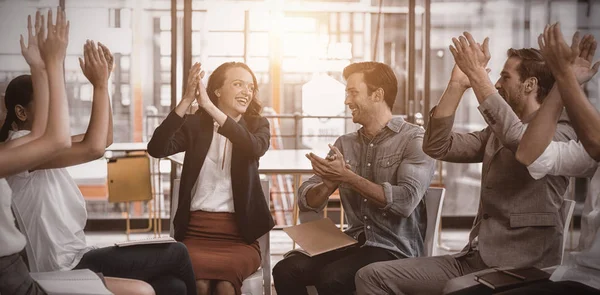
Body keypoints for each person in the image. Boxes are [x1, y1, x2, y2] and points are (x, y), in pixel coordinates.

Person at [355, 32, 577, 295]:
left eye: (505, 77)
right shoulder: (496, 132)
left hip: (522, 267)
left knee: (455, 289)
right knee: (371, 276)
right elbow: (437, 145)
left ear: (529, 85)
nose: (496, 84)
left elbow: (521, 143)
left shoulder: (560, 131)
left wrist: (478, 76)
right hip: (472, 260)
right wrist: (457, 85)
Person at [3, 9, 196, 295]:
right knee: (177, 253)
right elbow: (93, 148)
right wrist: (90, 80)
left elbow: (102, 139)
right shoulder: (20, 145)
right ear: (20, 112)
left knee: (174, 286)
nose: (54, 107)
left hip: (78, 253)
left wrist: (101, 84)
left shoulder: (33, 145)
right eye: (44, 100)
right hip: (65, 264)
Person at [272, 61, 436, 295]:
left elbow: (405, 201)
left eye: (353, 93)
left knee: (333, 278)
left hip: (394, 248)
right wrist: (327, 185)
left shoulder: (414, 139)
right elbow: (307, 199)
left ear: (377, 95)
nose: (347, 101)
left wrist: (348, 178)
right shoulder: (344, 143)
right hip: (352, 241)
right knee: (286, 269)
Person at [147, 61, 274, 295]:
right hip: (195, 233)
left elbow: (253, 147)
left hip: (240, 237)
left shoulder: (258, 125)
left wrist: (209, 107)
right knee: (200, 284)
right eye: (238, 84)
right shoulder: (196, 125)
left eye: (250, 86)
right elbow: (157, 148)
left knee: (225, 286)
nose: (247, 91)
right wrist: (187, 100)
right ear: (217, 90)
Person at [500, 23, 600, 295]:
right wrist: (561, 84)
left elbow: (596, 142)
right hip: (580, 277)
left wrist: (564, 76)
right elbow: (530, 153)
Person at [0, 8, 72, 295]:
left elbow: (41, 134)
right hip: (9, 279)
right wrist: (53, 63)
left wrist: (40, 68)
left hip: (12, 271)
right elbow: (57, 139)